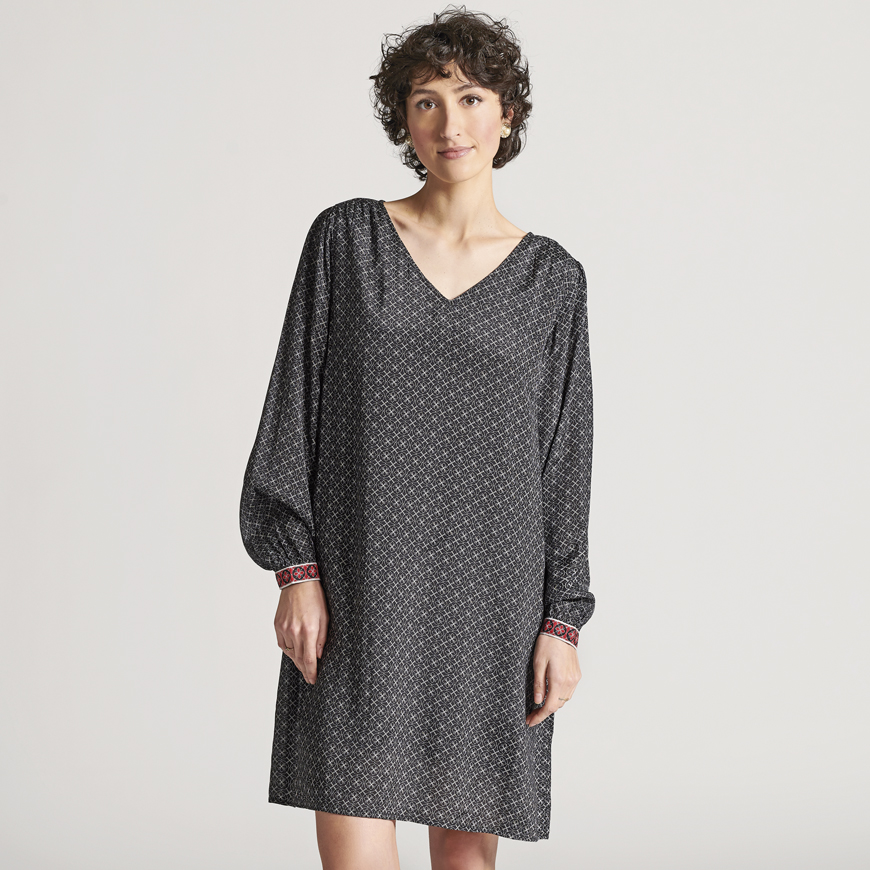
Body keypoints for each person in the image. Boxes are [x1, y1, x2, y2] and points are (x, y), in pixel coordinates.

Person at [239, 6, 595, 869]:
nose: (450, 123)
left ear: (507, 113)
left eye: (471, 98)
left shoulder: (553, 280)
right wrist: (296, 571)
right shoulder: (347, 241)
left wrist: (562, 622)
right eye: (426, 101)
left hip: (491, 611)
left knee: (466, 862)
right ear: (404, 119)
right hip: (358, 596)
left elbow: (564, 462)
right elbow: (293, 410)